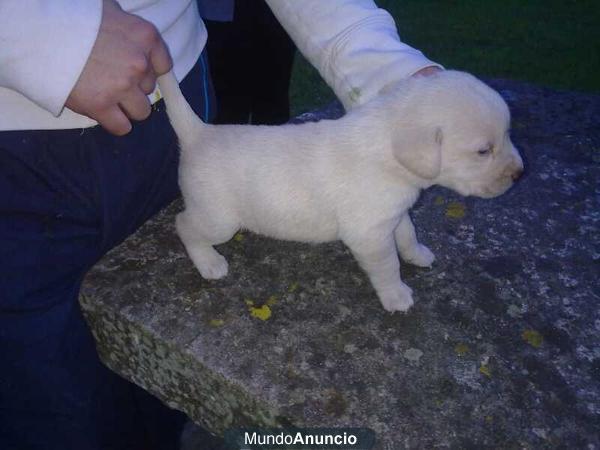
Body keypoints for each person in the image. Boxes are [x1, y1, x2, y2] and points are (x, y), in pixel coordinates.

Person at [0, 1, 441, 449]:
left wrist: (387, 73)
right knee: (57, 401)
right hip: (16, 142)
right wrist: (42, 40)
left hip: (170, 79)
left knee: (163, 384)